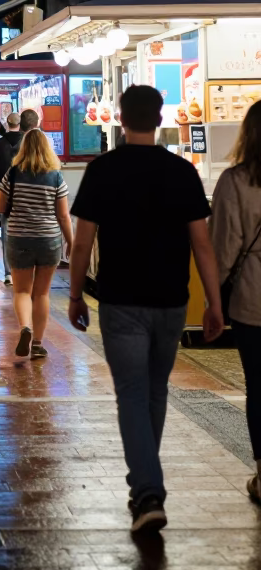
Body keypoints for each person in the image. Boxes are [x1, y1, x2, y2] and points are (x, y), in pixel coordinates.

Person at [68, 85, 223, 536]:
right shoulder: (182, 171)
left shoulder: (102, 170)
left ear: (120, 119)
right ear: (159, 119)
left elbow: (82, 241)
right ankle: (146, 485)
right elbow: (202, 245)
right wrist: (214, 302)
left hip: (121, 299)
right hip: (172, 300)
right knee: (155, 392)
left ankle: (148, 491)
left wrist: (75, 295)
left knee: (133, 394)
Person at [209, 100, 261, 506]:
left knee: (258, 389)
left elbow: (224, 249)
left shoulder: (236, 181)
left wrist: (213, 300)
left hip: (253, 302)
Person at [0, 128, 73, 360]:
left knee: (21, 291)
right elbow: (63, 216)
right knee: (41, 294)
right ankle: (38, 344)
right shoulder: (55, 177)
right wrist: (71, 241)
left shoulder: (13, 174)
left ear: (23, 148)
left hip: (19, 238)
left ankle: (25, 327)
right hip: (49, 240)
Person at [0, 110, 39, 286]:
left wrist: (0, 185)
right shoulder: (28, 142)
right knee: (27, 230)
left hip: (4, 195)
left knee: (6, 232)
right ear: (20, 124)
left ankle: (8, 272)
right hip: (26, 194)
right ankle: (26, 268)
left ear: (7, 124)